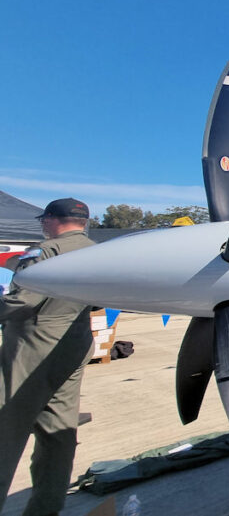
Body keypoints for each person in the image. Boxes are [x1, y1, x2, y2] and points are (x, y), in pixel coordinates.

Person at [0, 198, 97, 516]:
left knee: (6, 430)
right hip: (74, 346)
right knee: (58, 432)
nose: (42, 225)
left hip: (32, 349)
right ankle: (45, 509)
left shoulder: (43, 250)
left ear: (53, 220)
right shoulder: (98, 252)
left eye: (45, 220)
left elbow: (21, 302)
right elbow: (97, 304)